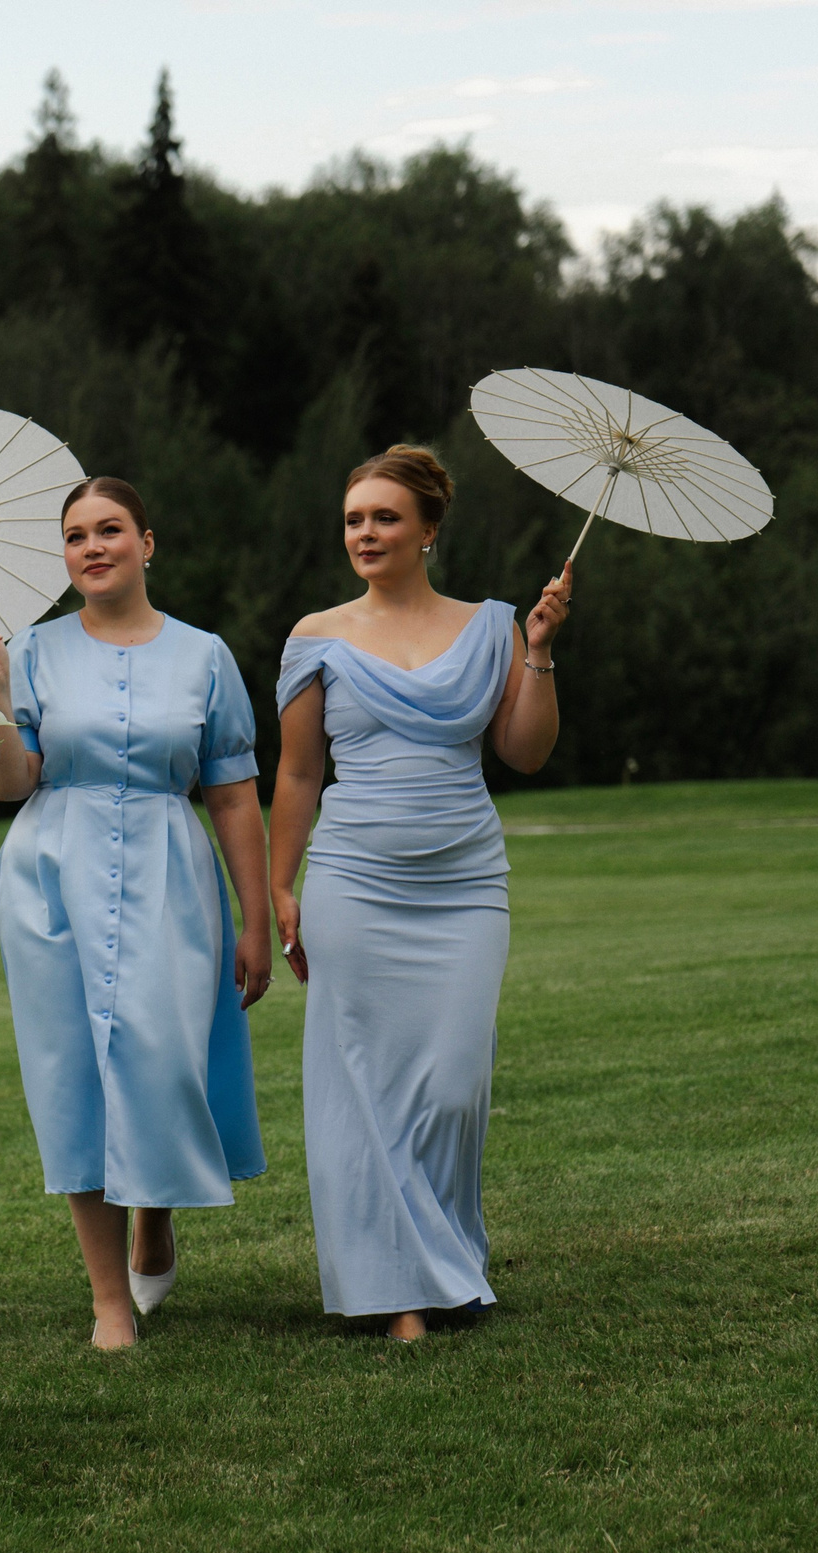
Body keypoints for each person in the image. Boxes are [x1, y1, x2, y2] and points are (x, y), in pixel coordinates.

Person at [268, 445, 570, 1342]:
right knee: (361, 1082)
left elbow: (524, 751)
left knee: (451, 1085)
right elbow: (294, 775)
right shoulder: (315, 636)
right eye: (355, 517)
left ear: (428, 530)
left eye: (385, 517)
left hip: (465, 885)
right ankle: (394, 1292)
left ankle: (438, 1262)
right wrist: (283, 885)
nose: (366, 531)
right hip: (353, 881)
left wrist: (541, 654)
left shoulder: (493, 628)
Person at [0, 476, 272, 1352]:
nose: (92, 547)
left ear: (147, 542)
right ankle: (107, 1298)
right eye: (75, 535)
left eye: (109, 530)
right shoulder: (29, 649)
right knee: (73, 1072)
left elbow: (235, 793)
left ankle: (154, 1217)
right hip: (50, 870)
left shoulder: (206, 655)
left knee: (158, 1053)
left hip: (173, 872)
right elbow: (11, 783)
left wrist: (255, 917)